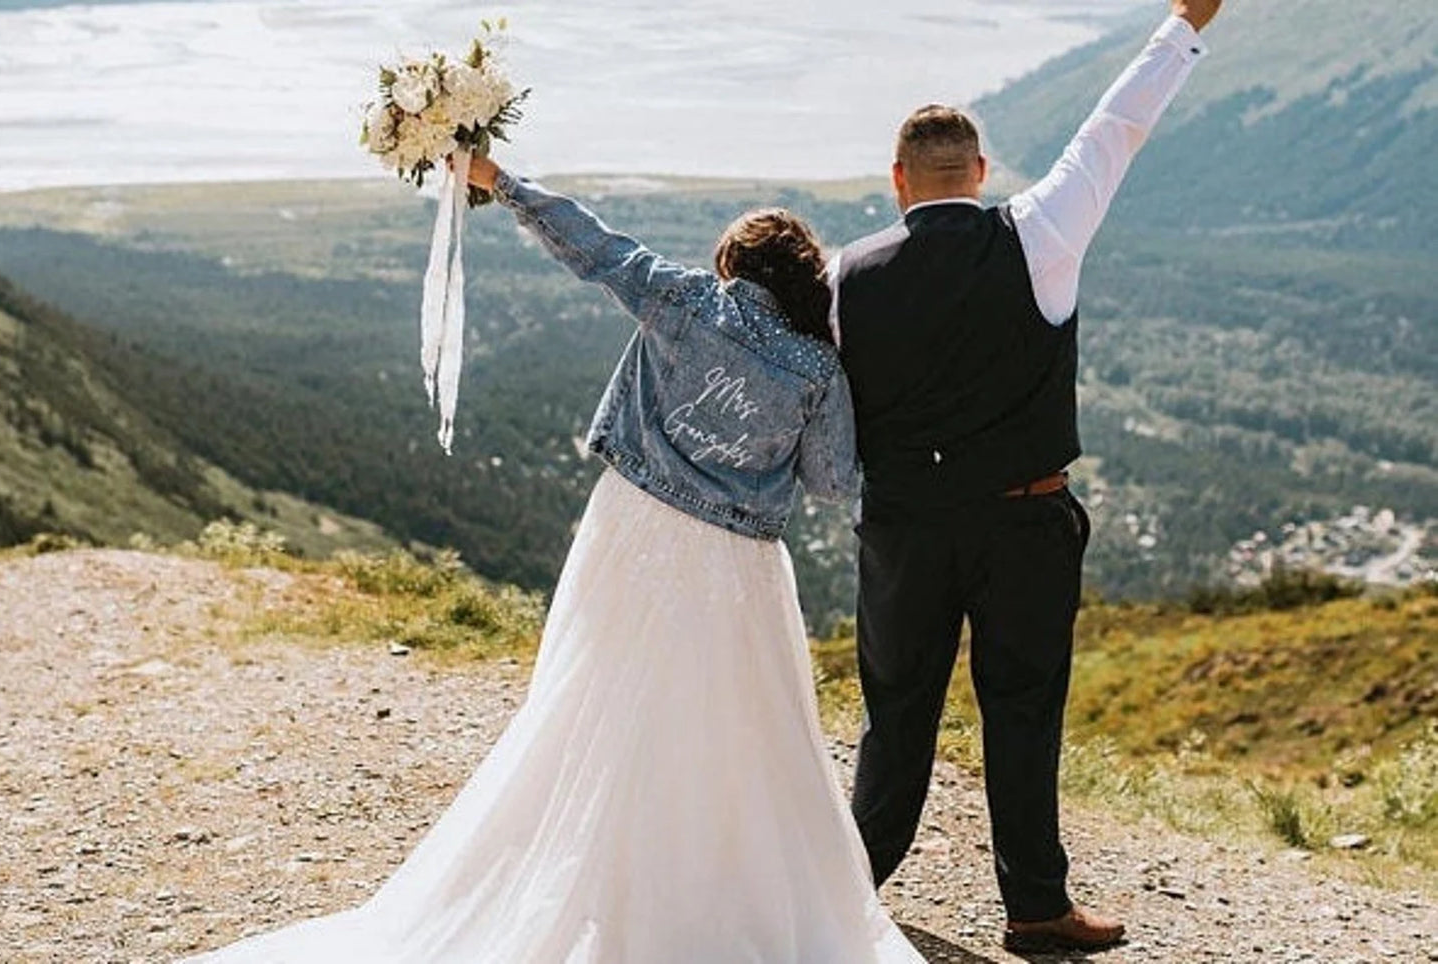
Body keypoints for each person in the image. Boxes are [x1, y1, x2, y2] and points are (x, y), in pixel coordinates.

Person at [183, 159, 924, 962]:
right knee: (734, 731)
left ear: (731, 267)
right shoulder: (816, 365)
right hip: (739, 566)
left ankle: (602, 875)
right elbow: (830, 482)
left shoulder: (681, 301)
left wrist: (498, 179)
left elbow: (590, 245)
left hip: (634, 532)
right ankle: (716, 894)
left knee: (597, 702)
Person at [832, 0, 1223, 953]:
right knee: (1021, 711)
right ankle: (1036, 911)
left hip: (902, 529)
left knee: (896, 715)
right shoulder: (1039, 231)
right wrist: (1184, 21)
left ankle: (839, 892)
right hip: (1022, 526)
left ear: (897, 183)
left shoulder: (845, 274)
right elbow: (1116, 126)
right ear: (979, 172)